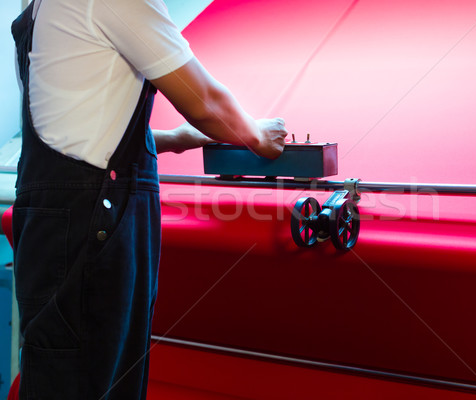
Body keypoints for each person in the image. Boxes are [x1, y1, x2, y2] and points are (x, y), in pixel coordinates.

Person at [11, 0, 288, 398]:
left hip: (57, 218)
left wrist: (177, 140)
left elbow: (77, 123)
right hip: (93, 222)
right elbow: (205, 100)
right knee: (88, 379)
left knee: (64, 369)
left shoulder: (44, 7)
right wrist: (259, 138)